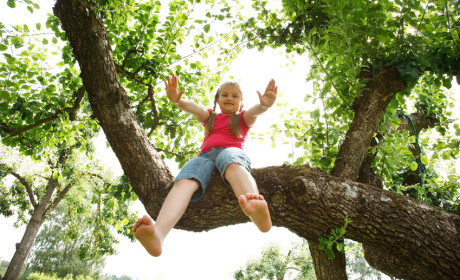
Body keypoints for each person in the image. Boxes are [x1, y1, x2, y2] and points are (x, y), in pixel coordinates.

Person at [132, 75, 278, 257]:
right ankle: (158, 234)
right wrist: (178, 100)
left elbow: (255, 112)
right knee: (185, 180)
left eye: (235, 96)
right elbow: (196, 109)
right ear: (217, 100)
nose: (229, 98)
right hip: (205, 157)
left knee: (233, 162)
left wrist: (265, 105)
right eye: (224, 95)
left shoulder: (242, 118)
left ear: (241, 103)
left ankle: (254, 205)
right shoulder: (210, 117)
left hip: (230, 151)